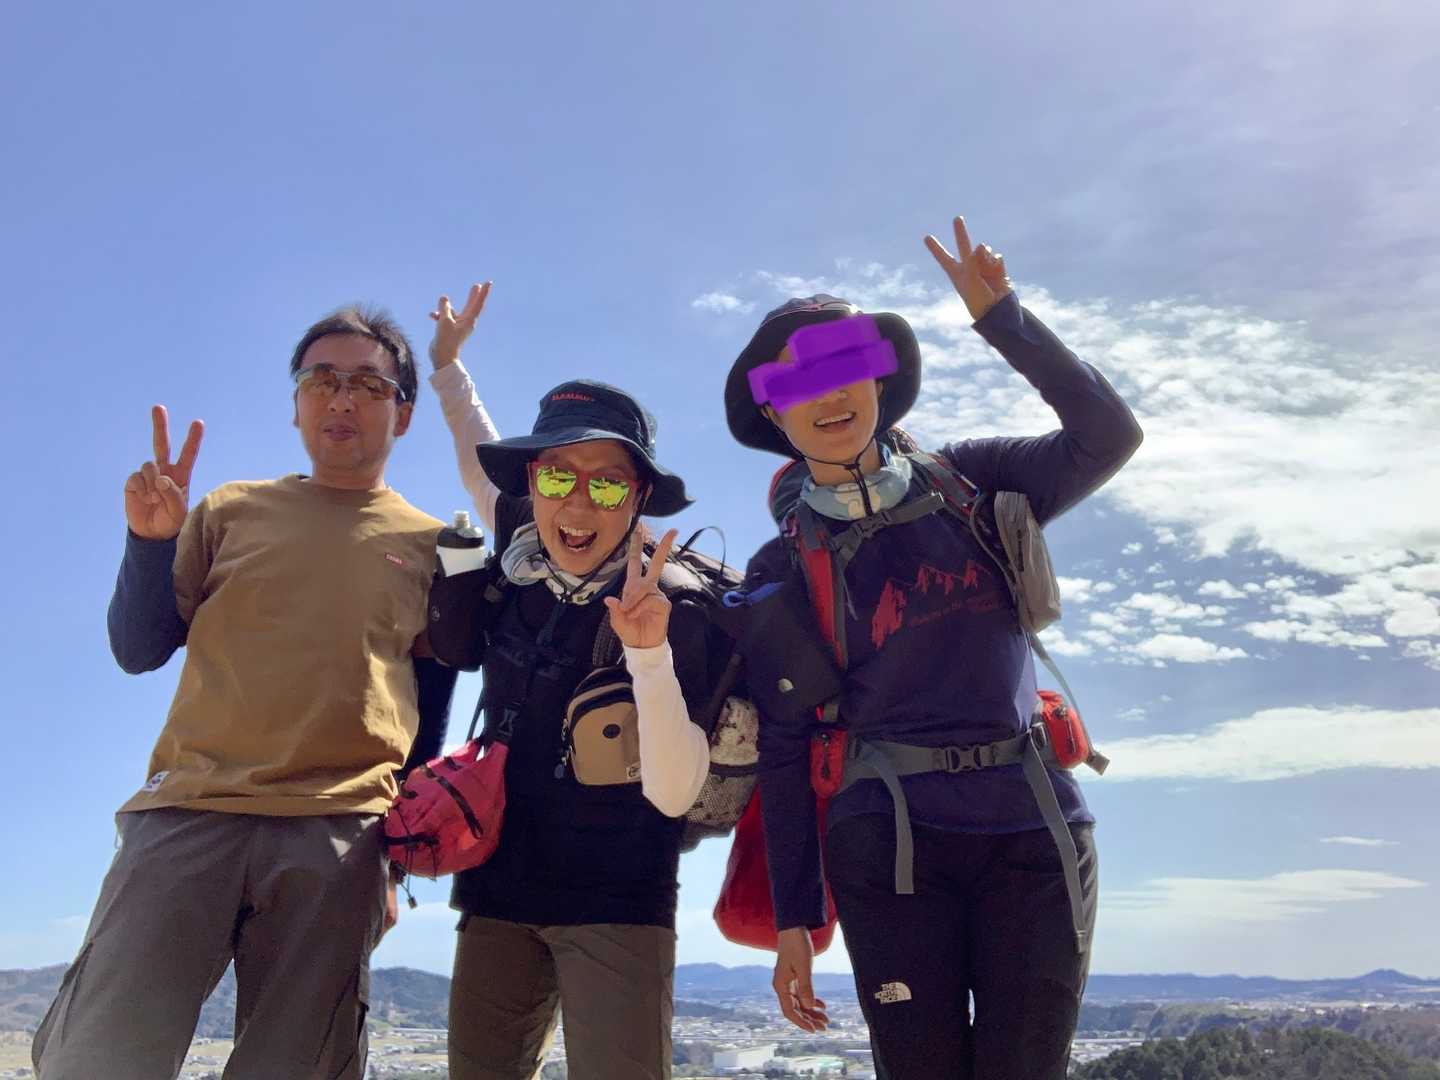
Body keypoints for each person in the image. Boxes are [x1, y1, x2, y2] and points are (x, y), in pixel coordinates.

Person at [722, 216, 1144, 1079]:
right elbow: (786, 744)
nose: (827, 394)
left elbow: (1109, 435)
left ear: (878, 375)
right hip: (888, 843)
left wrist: (1005, 319)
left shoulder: (972, 481)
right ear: (772, 408)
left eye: (844, 363)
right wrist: (795, 920)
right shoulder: (780, 568)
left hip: (1033, 827)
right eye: (797, 380)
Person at [33, 306, 457, 1080]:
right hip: (187, 810)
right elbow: (139, 648)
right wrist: (150, 542)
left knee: (297, 1065)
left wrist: (395, 861)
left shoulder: (432, 546)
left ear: (402, 413)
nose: (341, 399)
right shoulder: (230, 510)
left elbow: (429, 705)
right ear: (295, 403)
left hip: (338, 830)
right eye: (320, 379)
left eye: (368, 384)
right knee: (98, 1053)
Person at [424, 283, 717, 1080]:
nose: (578, 503)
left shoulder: (676, 606)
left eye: (608, 483)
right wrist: (447, 367)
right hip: (497, 890)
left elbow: (675, 793)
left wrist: (648, 653)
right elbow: (473, 449)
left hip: (619, 903)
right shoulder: (520, 545)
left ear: (640, 496)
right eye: (557, 477)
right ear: (534, 483)